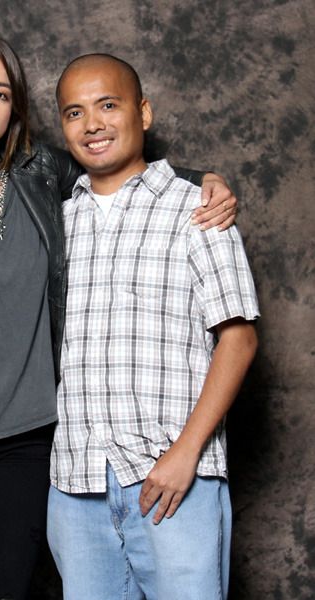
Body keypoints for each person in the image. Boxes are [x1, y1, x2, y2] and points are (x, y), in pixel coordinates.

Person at [0, 32, 236, 600]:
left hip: (29, 444)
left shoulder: (41, 176)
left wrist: (202, 181)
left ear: (15, 109)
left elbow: (118, 165)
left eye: (1, 93)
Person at [47, 54, 259, 600]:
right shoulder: (57, 221)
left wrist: (186, 454)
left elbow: (239, 339)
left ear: (143, 112)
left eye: (108, 105)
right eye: (75, 112)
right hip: (76, 485)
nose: (92, 124)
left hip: (174, 480)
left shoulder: (199, 209)